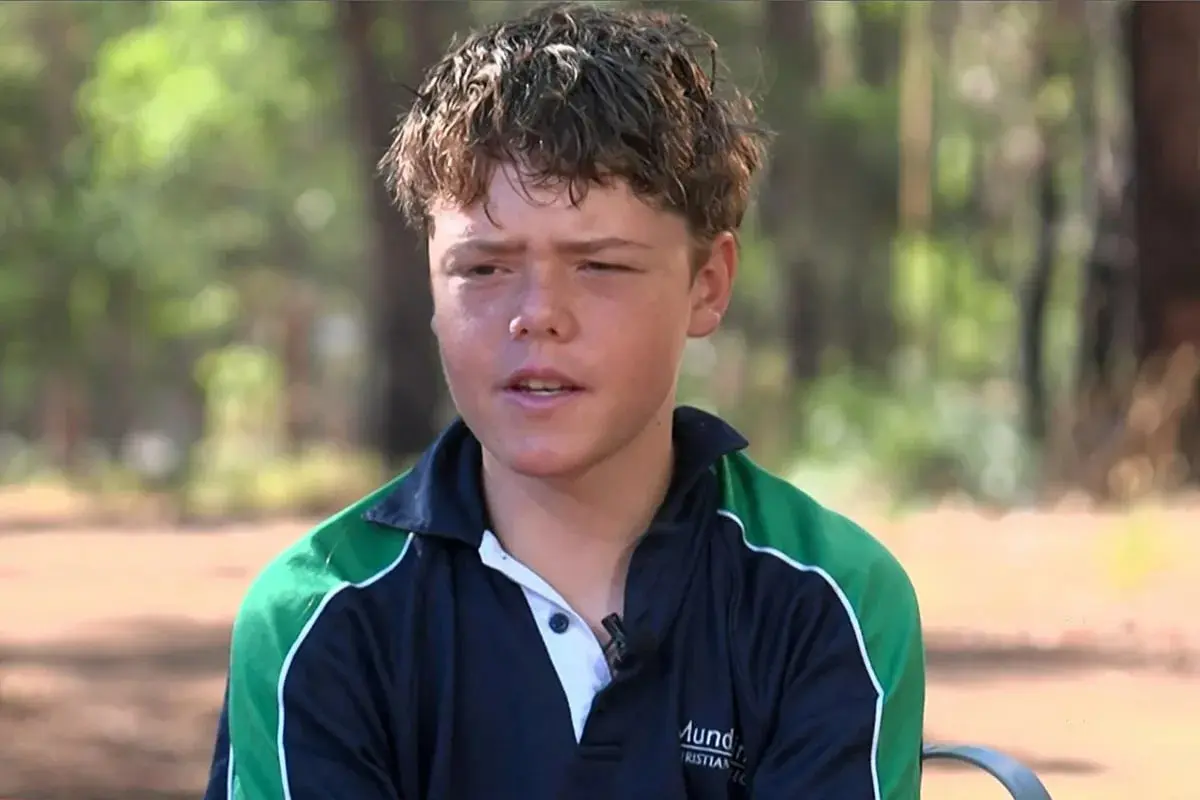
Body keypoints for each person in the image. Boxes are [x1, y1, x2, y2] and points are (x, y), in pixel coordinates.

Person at [203, 3, 925, 798]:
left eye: (600, 266)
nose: (537, 314)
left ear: (708, 284)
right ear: (431, 286)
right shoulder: (319, 618)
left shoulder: (827, 599)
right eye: (483, 268)